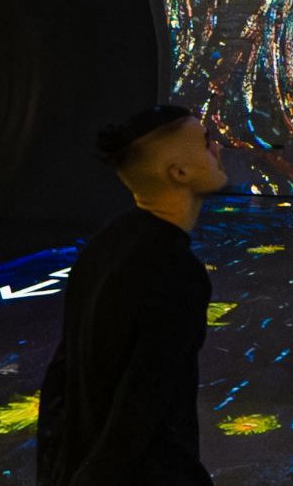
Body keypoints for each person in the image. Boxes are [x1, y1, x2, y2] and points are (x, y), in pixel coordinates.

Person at [37, 104, 228, 486]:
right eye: (207, 143)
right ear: (179, 172)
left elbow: (63, 375)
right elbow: (144, 404)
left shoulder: (105, 244)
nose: (218, 149)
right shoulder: (175, 272)